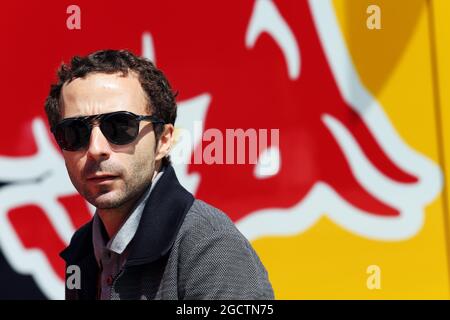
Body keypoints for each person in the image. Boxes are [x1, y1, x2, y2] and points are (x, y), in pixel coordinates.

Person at [44, 49, 274, 300]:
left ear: (163, 141)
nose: (96, 149)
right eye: (74, 131)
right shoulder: (82, 248)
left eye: (120, 126)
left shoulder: (210, 247)